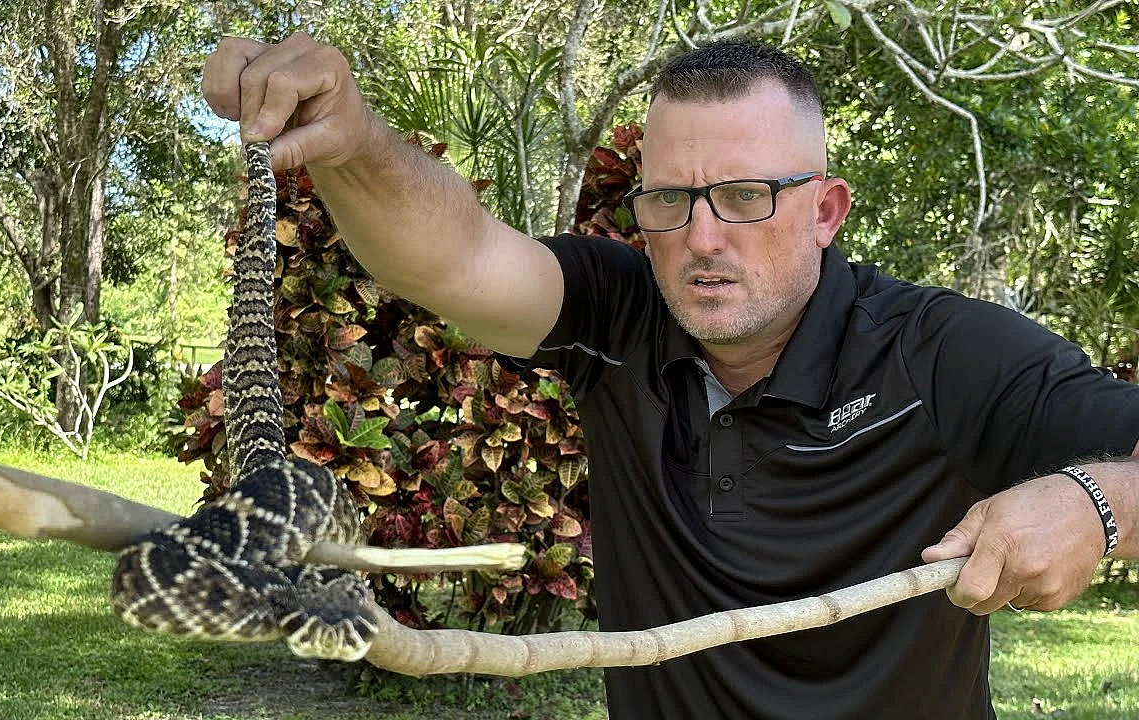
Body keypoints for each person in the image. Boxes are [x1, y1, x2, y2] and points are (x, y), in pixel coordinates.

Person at [202, 35, 1138, 719]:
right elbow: (455, 259)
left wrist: (1099, 504)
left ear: (826, 211)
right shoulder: (619, 314)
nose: (701, 238)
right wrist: (352, 139)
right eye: (668, 200)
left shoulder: (943, 354)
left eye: (745, 196)